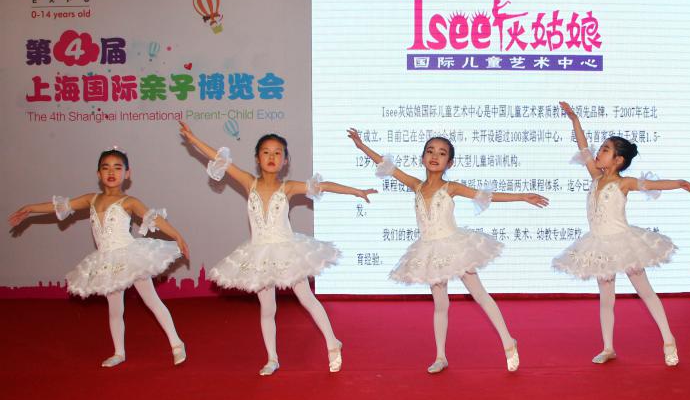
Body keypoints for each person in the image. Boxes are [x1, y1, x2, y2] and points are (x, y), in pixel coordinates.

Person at [180, 122, 375, 376]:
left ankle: (332, 344)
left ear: (285, 160)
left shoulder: (288, 187)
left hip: (287, 252)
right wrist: (193, 139)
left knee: (307, 299)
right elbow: (219, 159)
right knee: (267, 308)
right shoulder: (249, 182)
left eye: (277, 153)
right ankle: (272, 358)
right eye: (266, 152)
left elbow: (324, 185)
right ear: (257, 158)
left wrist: (357, 191)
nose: (271, 157)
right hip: (259, 253)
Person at [348, 128, 548, 373]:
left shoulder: (451, 187)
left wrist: (522, 196)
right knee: (440, 303)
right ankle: (441, 356)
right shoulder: (416, 185)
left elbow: (486, 195)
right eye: (430, 151)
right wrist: (361, 145)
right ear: (422, 158)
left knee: (480, 294)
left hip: (456, 246)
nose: (435, 156)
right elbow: (387, 166)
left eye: (442, 153)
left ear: (449, 163)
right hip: (430, 251)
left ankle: (508, 342)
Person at [9, 147, 188, 368]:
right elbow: (60, 206)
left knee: (152, 301)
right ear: (98, 174)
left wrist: (177, 236)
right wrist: (30, 208)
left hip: (131, 257)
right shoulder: (91, 199)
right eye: (106, 168)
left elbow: (155, 219)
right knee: (115, 309)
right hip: (107, 262)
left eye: (117, 167)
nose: (111, 172)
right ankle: (119, 352)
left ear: (127, 174)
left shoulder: (129, 201)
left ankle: (177, 344)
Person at [553, 102, 690, 366]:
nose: (599, 152)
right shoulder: (595, 176)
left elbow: (651, 184)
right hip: (598, 244)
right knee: (606, 297)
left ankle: (668, 340)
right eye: (601, 148)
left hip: (624, 243)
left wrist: (678, 183)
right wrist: (574, 120)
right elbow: (583, 148)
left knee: (645, 291)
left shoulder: (623, 183)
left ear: (618, 160)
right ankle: (608, 347)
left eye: (605, 150)